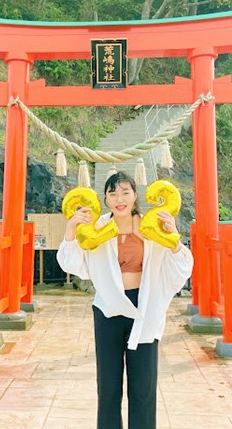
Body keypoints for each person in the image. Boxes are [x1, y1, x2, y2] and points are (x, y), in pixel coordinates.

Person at [57, 171, 193, 429]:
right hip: (108, 310)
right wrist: (71, 227)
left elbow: (180, 268)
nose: (119, 199)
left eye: (125, 192)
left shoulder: (150, 226)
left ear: (134, 196)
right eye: (112, 193)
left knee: (143, 387)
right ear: (105, 199)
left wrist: (173, 236)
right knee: (108, 386)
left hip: (143, 309)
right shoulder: (96, 228)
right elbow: (75, 264)